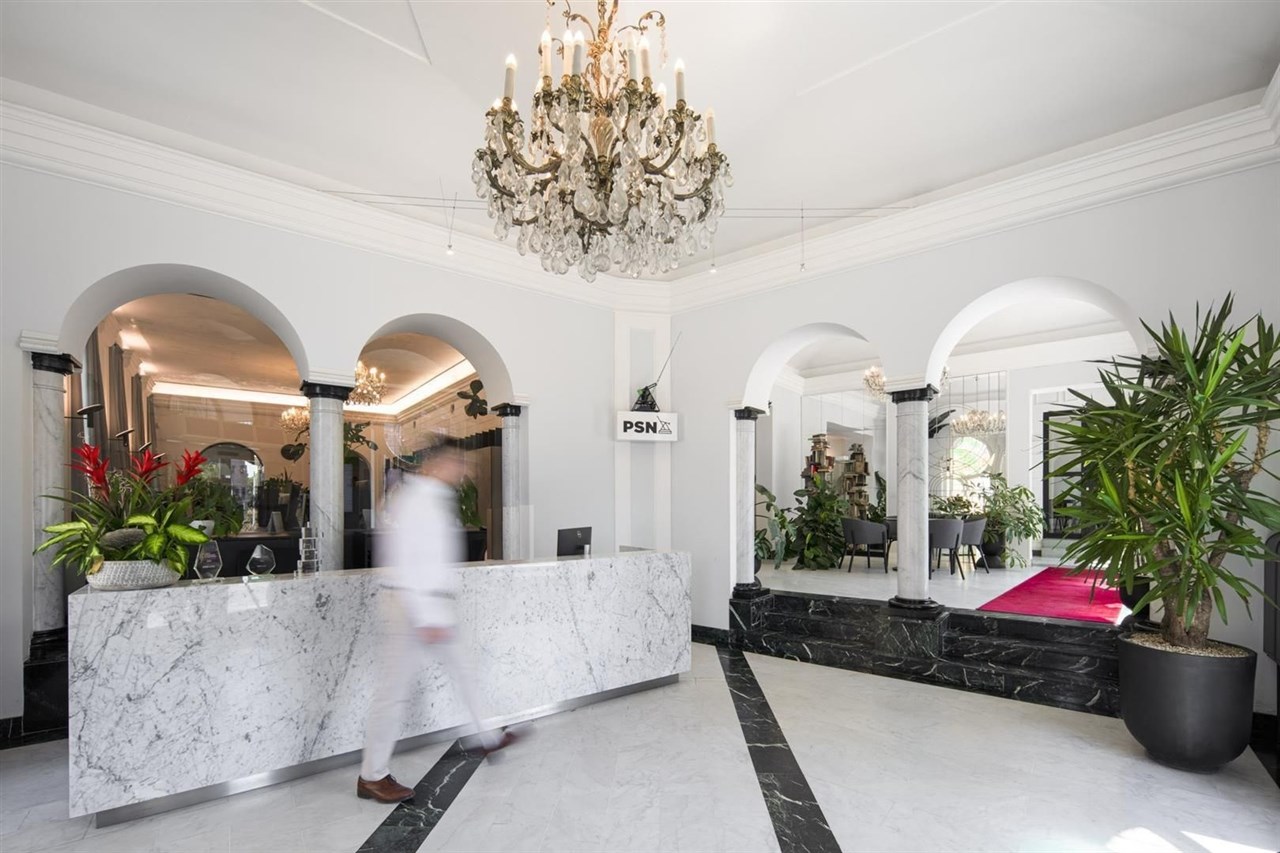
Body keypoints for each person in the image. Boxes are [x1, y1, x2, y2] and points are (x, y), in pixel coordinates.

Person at [356, 436, 518, 803]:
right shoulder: (412, 500)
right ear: (436, 463)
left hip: (435, 605)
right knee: (393, 693)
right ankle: (372, 776)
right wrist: (426, 616)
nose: (464, 470)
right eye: (458, 463)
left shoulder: (436, 499)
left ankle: (488, 737)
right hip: (410, 607)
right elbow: (405, 560)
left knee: (465, 671)